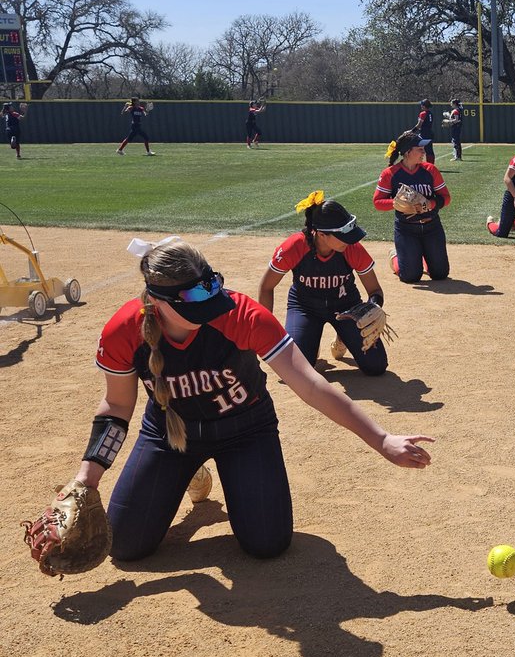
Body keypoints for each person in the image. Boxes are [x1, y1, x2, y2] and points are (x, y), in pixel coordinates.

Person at [75, 239, 431, 562]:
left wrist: (381, 439)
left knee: (268, 544)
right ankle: (185, 471)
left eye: (211, 299)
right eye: (195, 307)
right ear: (155, 300)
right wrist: (85, 481)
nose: (211, 311)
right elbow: (118, 406)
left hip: (245, 431)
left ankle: (191, 474)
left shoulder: (238, 313)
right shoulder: (124, 330)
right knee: (124, 545)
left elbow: (309, 385)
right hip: (171, 435)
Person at [257, 191, 388, 376]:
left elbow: (375, 289)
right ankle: (308, 341)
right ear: (321, 234)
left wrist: (373, 307)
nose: (350, 240)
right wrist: (265, 329)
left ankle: (344, 335)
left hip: (347, 309)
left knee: (376, 366)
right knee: (297, 371)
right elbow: (266, 286)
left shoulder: (351, 248)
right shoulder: (295, 246)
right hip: (304, 307)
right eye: (343, 235)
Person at [374, 130, 452, 283]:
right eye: (420, 149)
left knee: (440, 274)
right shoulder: (390, 173)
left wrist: (431, 203)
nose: (424, 152)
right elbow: (377, 202)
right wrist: (396, 204)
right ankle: (396, 256)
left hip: (432, 227)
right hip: (406, 229)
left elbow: (446, 198)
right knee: (410, 276)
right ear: (408, 152)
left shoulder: (430, 170)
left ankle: (421, 257)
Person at [412, 98, 436, 164]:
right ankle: (431, 164)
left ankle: (419, 163)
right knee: (429, 150)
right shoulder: (430, 113)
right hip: (429, 133)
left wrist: (412, 131)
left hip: (424, 134)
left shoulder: (423, 113)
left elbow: (419, 125)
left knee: (417, 148)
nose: (421, 106)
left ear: (424, 106)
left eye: (422, 104)